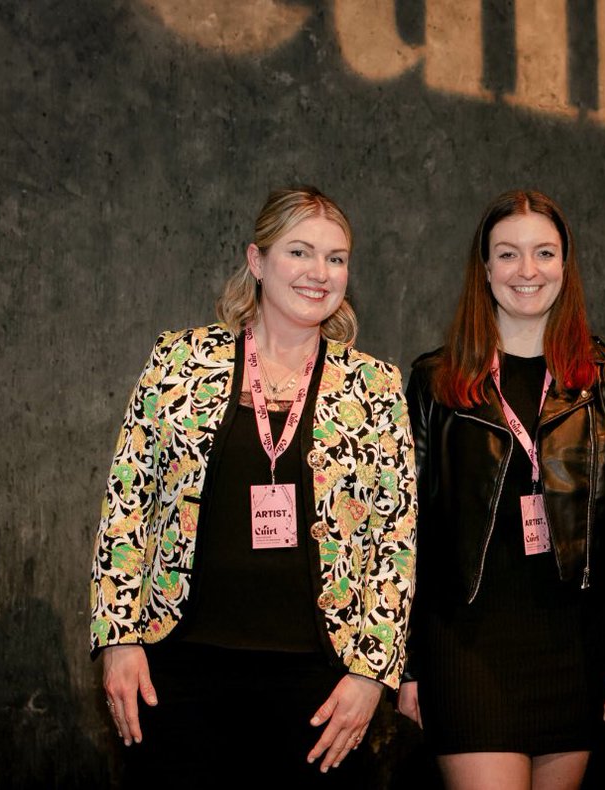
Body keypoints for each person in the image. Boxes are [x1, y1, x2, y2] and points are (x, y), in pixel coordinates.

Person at [89, 186, 417, 786]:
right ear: (257, 260)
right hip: (176, 671)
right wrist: (117, 640)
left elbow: (394, 541)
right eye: (300, 252)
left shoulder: (375, 387)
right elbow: (126, 507)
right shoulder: (179, 361)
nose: (320, 273)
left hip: (321, 683)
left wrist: (373, 675)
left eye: (336, 258)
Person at [399, 189, 605, 789]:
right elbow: (405, 534)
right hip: (465, 647)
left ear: (565, 266)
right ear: (484, 268)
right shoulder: (435, 381)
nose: (527, 270)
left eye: (544, 253)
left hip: (575, 645)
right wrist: (405, 665)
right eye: (508, 254)